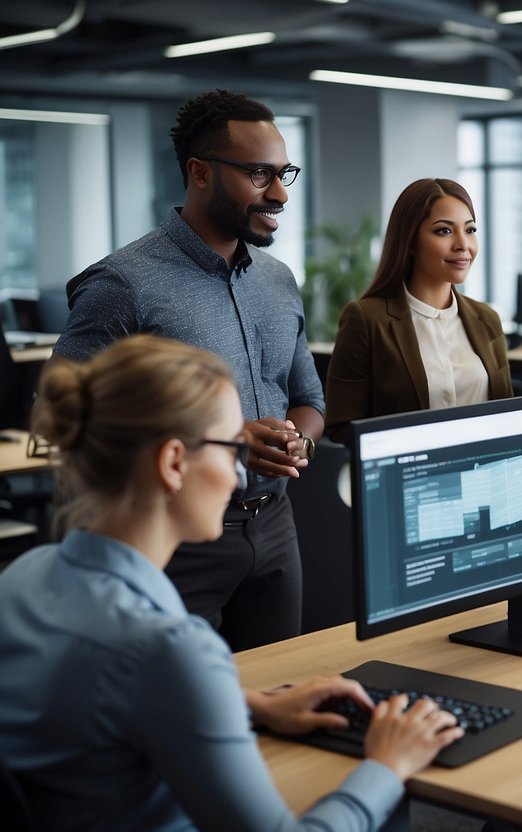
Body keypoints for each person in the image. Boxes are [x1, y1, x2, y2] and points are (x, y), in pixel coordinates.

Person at [0, 335, 463, 831]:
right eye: (232, 451)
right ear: (173, 462)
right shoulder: (168, 648)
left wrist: (248, 705)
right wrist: (387, 766)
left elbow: (93, 705)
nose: (241, 479)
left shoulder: (22, 579)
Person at [50, 89, 324, 651]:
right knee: (174, 717)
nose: (278, 194)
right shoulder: (123, 284)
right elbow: (62, 417)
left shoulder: (278, 281)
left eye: (284, 174)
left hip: (274, 524)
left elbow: (308, 399)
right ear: (200, 172)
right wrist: (220, 443)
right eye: (258, 174)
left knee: (279, 693)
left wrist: (298, 442)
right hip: (174, 536)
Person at [324, 178, 512, 444]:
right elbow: (341, 427)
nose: (463, 245)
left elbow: (509, 418)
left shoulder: (487, 319)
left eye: (470, 230)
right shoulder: (366, 319)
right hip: (409, 480)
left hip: (483, 476)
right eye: (444, 231)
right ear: (410, 241)